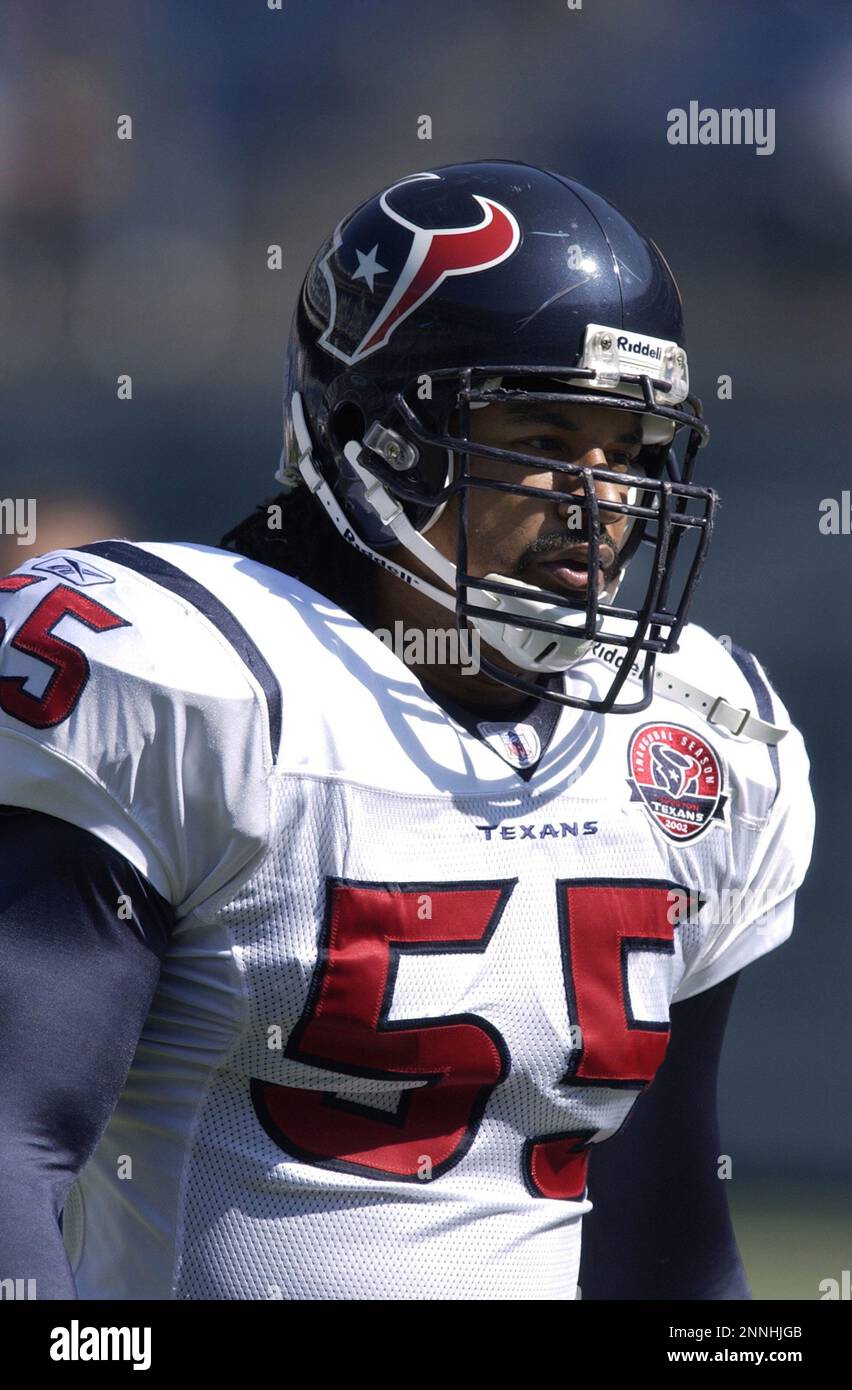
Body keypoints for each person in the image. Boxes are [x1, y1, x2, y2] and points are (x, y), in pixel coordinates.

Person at [0, 160, 814, 1300]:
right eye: (543, 435)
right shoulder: (181, 679)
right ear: (371, 436)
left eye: (630, 451)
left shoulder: (699, 737)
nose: (603, 501)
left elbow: (666, 1242)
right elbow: (11, 1148)